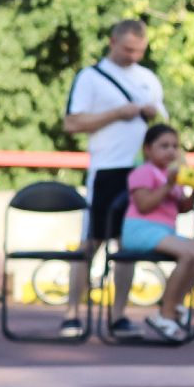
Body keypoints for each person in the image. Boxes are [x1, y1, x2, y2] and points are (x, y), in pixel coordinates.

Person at [62, 20, 165, 340]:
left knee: (128, 245)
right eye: (128, 49)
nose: (134, 55)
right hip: (108, 168)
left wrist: (151, 114)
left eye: (140, 50)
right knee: (92, 240)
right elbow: (71, 123)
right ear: (113, 42)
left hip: (141, 171)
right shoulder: (91, 77)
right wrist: (116, 113)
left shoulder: (148, 78)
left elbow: (163, 125)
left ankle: (119, 315)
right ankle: (72, 313)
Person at [122, 125, 194, 342]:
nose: (171, 151)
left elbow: (183, 208)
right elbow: (144, 205)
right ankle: (164, 314)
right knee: (189, 254)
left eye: (175, 146)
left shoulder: (172, 174)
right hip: (139, 230)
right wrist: (168, 184)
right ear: (147, 149)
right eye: (164, 146)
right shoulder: (143, 172)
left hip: (165, 231)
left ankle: (175, 302)